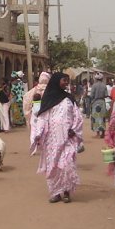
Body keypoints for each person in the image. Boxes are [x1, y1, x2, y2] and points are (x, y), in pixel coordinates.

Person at [30, 72, 83, 203]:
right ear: (56, 81)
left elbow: (77, 116)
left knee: (66, 164)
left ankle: (66, 192)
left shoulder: (69, 98)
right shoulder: (48, 98)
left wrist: (74, 129)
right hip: (51, 140)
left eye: (67, 81)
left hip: (67, 138)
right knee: (53, 166)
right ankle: (55, 192)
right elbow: (42, 118)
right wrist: (38, 134)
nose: (66, 83)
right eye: (64, 80)